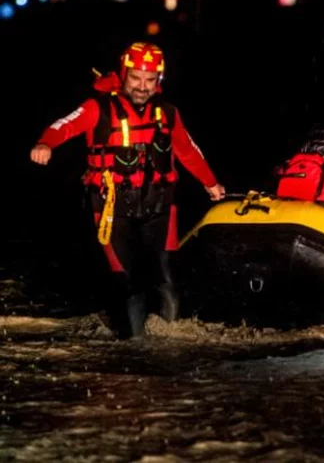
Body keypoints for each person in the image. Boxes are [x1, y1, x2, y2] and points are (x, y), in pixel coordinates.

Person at [30, 41, 225, 339]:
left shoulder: (168, 112)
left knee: (166, 277)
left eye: (150, 80)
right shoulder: (97, 107)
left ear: (159, 80)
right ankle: (137, 348)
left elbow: (187, 151)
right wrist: (46, 144)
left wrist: (210, 183)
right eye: (136, 78)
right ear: (123, 74)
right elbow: (64, 126)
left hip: (159, 203)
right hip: (111, 205)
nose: (142, 87)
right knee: (127, 281)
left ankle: (173, 344)